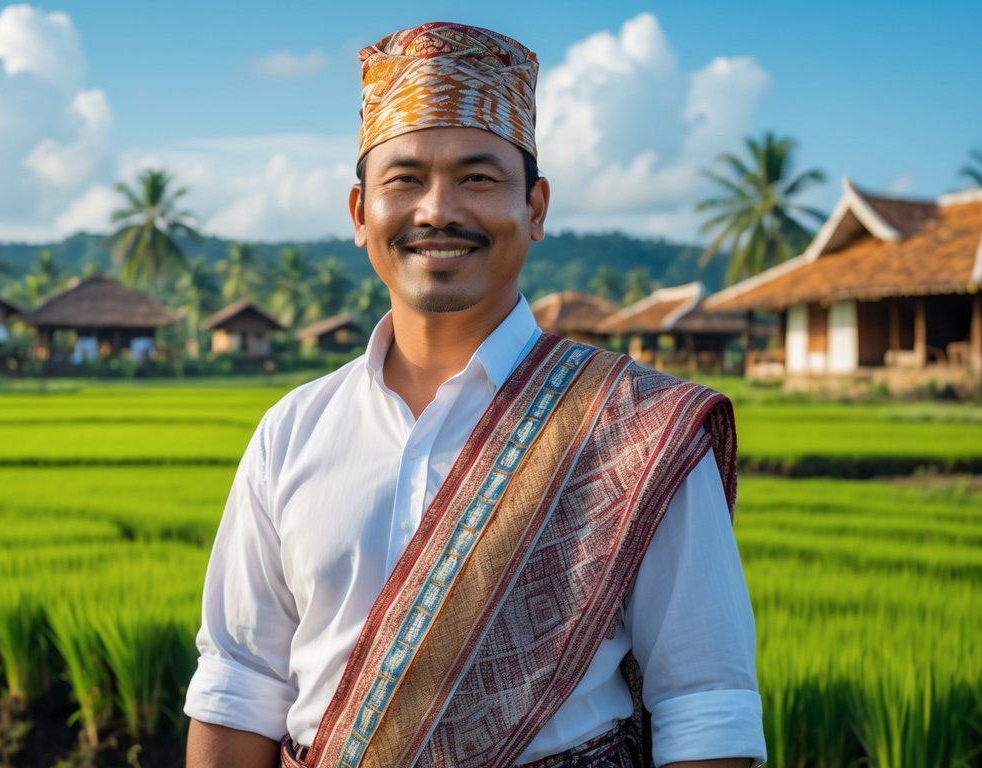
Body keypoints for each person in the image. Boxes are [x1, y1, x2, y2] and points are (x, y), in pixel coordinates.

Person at [185, 22, 765, 768]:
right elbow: (240, 684)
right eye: (404, 180)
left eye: (478, 177)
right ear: (361, 214)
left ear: (536, 207)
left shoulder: (635, 427)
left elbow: (703, 709)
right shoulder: (292, 431)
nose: (438, 210)